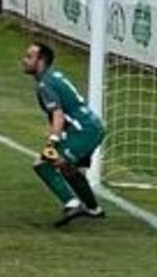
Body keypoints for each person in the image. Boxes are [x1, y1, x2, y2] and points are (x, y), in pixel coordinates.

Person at [21, 41, 106, 226]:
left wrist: (51, 143)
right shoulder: (54, 76)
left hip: (84, 131)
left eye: (29, 57)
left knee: (43, 163)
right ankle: (93, 209)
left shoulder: (44, 84)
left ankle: (72, 203)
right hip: (91, 127)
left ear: (41, 60)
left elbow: (57, 115)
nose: (24, 60)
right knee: (68, 169)